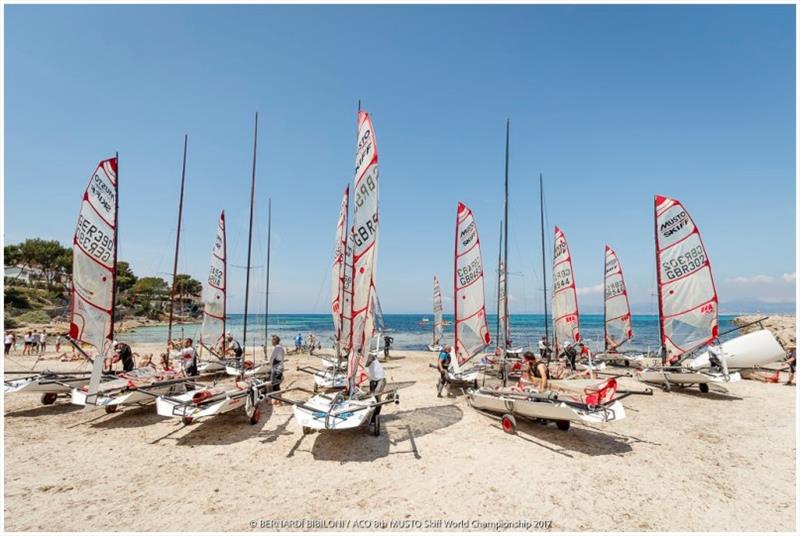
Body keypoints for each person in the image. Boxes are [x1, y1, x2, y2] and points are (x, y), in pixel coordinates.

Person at [365, 351, 386, 418]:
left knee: (377, 396)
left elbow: (368, 363)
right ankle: (372, 415)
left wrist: (360, 362)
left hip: (381, 380)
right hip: (373, 380)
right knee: (372, 398)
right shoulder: (364, 357)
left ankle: (376, 415)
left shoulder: (370, 355)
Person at [268, 335, 285, 405]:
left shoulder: (277, 348)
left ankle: (276, 401)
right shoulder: (281, 348)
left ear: (275, 341)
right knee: (277, 385)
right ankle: (279, 400)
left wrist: (270, 365)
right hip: (280, 367)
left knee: (274, 385)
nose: (271, 342)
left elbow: (271, 359)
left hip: (276, 368)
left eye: (272, 340)